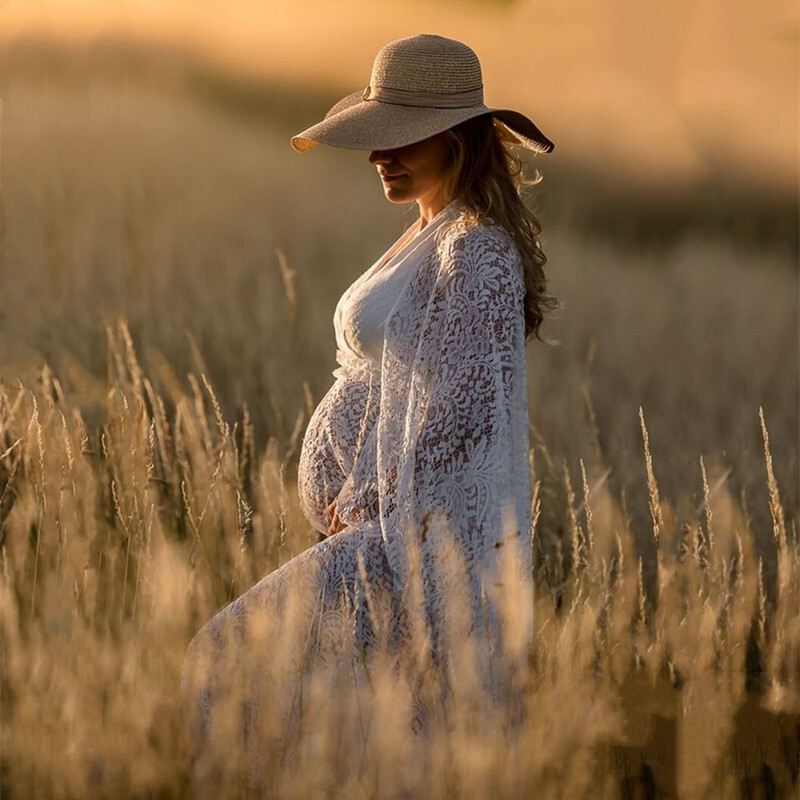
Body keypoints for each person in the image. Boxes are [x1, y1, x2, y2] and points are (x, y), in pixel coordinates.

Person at [182, 32, 556, 780]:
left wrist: (372, 490)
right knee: (359, 720)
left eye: (401, 140)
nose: (381, 156)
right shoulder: (426, 232)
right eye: (375, 141)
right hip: (378, 527)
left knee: (225, 656)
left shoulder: (476, 249)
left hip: (409, 537)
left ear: (454, 138)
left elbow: (471, 403)